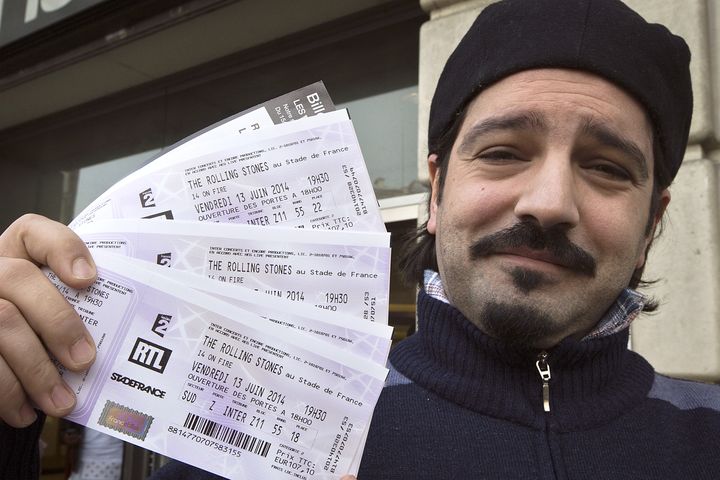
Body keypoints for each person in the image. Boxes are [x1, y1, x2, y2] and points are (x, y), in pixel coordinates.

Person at [1, 0, 718, 479]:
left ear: (653, 220)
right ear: (435, 190)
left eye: (605, 168)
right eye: (504, 151)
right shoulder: (263, 442)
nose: (550, 202)